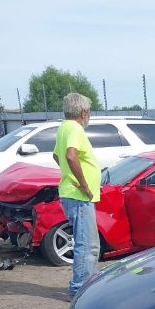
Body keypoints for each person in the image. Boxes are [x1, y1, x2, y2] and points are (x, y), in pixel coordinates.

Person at [52, 93, 101, 296]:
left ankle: (83, 285)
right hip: (79, 196)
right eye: (89, 112)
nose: (89, 115)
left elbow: (56, 155)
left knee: (90, 244)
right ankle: (80, 289)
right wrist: (84, 185)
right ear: (83, 112)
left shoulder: (64, 127)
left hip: (73, 193)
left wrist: (68, 176)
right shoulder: (74, 128)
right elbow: (70, 155)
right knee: (87, 245)